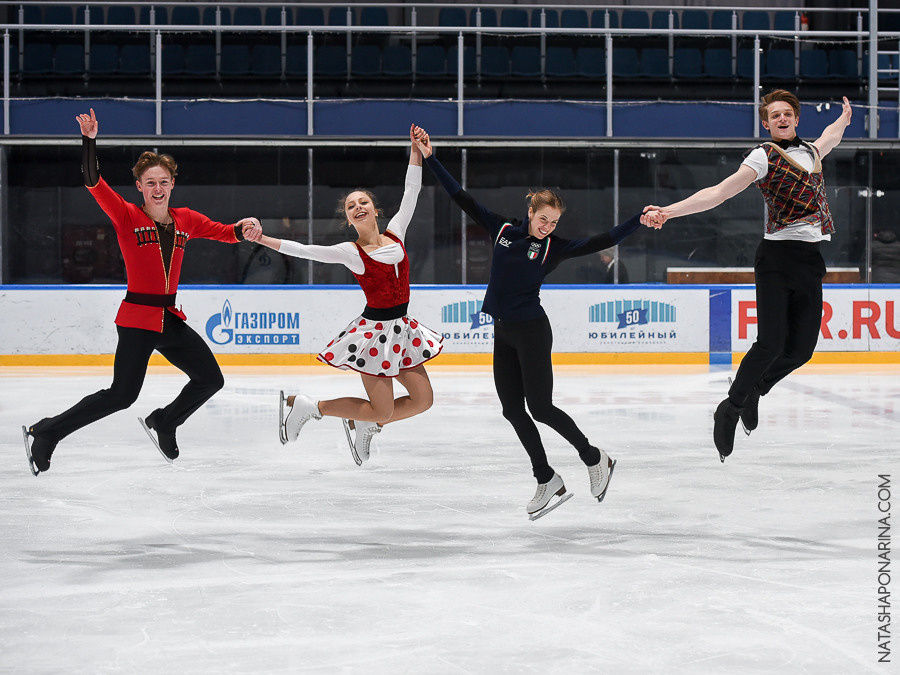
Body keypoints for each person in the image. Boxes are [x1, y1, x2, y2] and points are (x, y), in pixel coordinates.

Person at [413, 125, 644, 520]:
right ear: (531, 212)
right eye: (544, 219)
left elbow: (604, 240)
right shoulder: (502, 229)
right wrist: (431, 157)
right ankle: (546, 478)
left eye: (554, 221)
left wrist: (640, 219)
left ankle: (595, 458)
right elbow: (460, 197)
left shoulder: (554, 248)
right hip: (503, 332)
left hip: (533, 331)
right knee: (512, 410)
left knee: (540, 407)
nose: (548, 226)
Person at [21, 109, 261, 476]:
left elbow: (227, 232)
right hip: (137, 318)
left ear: (172, 184)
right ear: (140, 187)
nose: (158, 188)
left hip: (169, 319)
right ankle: (47, 432)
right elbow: (93, 182)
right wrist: (89, 140)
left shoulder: (186, 220)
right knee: (121, 395)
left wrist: (247, 226)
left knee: (211, 379)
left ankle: (165, 421)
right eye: (151, 182)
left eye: (163, 181)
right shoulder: (127, 216)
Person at [641, 90, 852, 462]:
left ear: (797, 119)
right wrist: (669, 212)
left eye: (788, 114)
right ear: (766, 123)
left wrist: (844, 120)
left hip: (810, 260)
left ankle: (755, 392)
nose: (782, 119)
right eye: (775, 115)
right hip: (776, 260)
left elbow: (830, 137)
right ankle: (731, 407)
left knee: (802, 349)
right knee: (770, 343)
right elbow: (718, 193)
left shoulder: (813, 153)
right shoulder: (763, 155)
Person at [244, 125, 441, 466]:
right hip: (375, 335)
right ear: (349, 219)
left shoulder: (397, 234)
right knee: (383, 408)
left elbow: (412, 191)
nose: (358, 206)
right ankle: (308, 407)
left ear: (375, 210)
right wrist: (263, 240)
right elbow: (304, 250)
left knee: (423, 400)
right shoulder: (351, 252)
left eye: (363, 201)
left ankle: (362, 422)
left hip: (403, 330)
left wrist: (414, 149)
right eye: (351, 206)